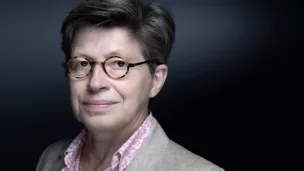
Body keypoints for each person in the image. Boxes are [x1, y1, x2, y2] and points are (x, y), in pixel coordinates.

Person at [35, 0, 224, 170]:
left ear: (156, 80)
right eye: (83, 63)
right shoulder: (51, 158)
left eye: (118, 64)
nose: (95, 83)